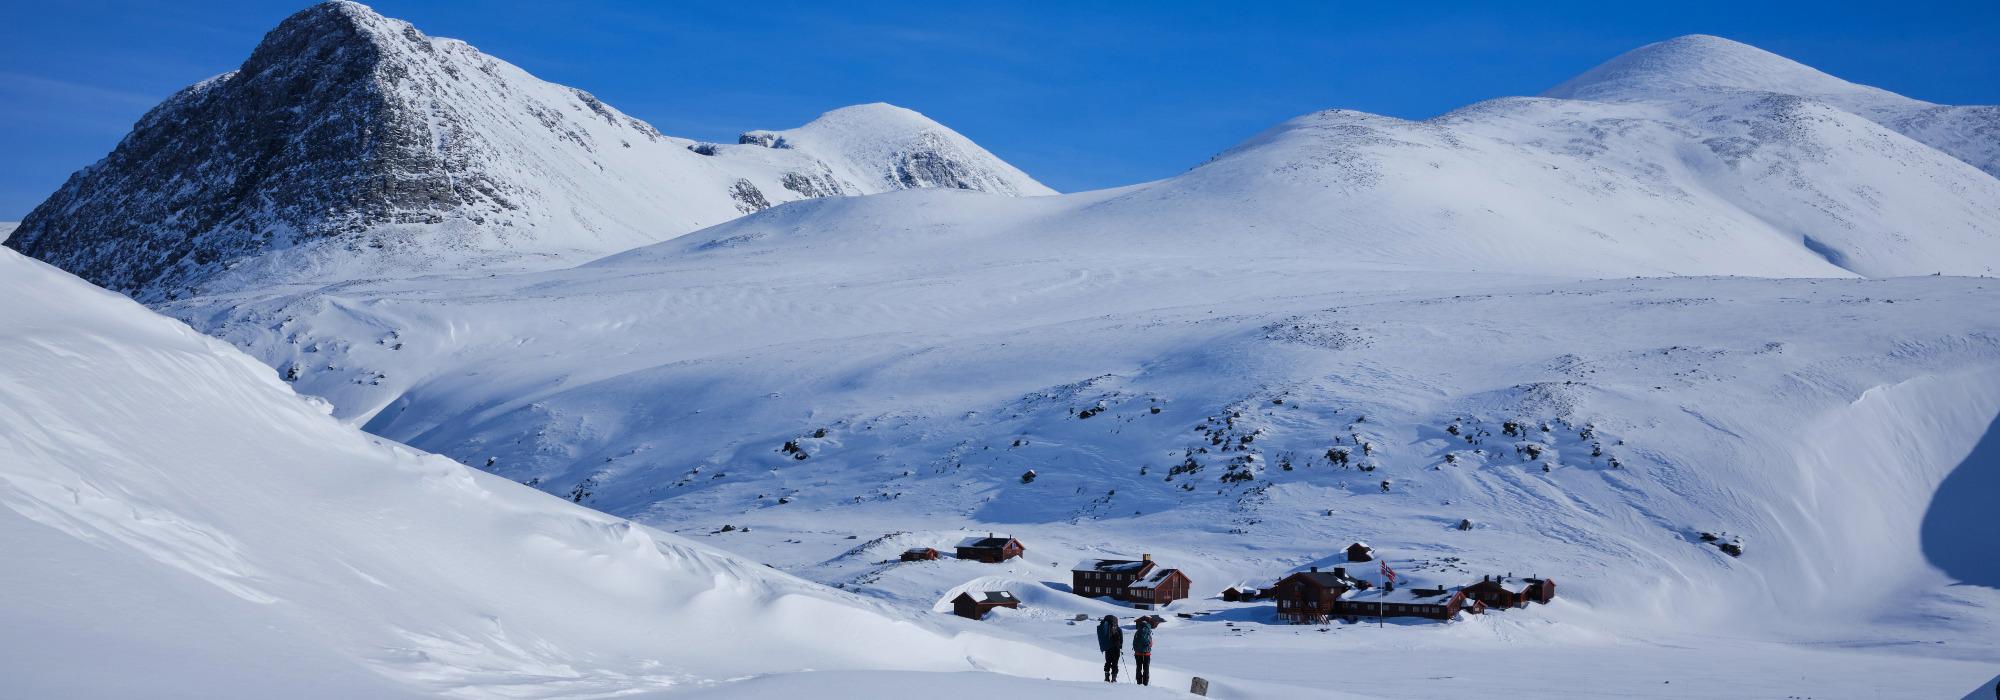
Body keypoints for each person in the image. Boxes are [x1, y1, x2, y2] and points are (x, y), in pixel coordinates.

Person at [1095, 615, 1122, 682]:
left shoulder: (1106, 627)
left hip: (1108, 648)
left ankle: (1107, 677)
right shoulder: (1118, 629)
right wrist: (1120, 646)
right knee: (1115, 663)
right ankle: (1114, 678)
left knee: (1108, 662)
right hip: (1116, 648)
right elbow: (1121, 640)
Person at [1132, 616, 1154, 686]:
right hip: (1146, 653)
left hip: (1138, 653)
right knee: (1146, 668)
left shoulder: (1137, 632)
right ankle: (1145, 683)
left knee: (1138, 668)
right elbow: (1150, 643)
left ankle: (1139, 682)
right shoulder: (1148, 631)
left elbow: (1134, 642)